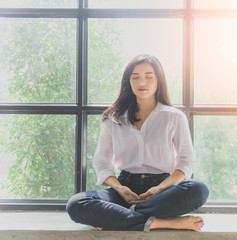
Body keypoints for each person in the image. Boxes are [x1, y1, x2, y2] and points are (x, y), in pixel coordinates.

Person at [66, 54, 209, 232]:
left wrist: (159, 188)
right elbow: (102, 162)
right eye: (135, 77)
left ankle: (120, 217)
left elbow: (186, 162)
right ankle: (161, 222)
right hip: (124, 189)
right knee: (77, 204)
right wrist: (119, 188)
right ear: (128, 81)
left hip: (161, 191)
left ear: (159, 80)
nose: (142, 82)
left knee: (199, 189)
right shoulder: (113, 118)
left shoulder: (174, 117)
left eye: (149, 76)